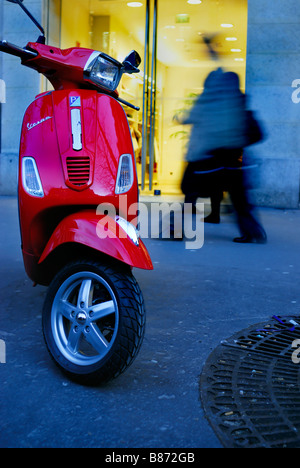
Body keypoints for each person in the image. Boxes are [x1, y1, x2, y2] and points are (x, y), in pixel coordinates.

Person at [178, 67, 266, 243]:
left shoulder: (209, 100)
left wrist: (180, 118)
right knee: (239, 198)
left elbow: (191, 118)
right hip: (233, 158)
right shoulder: (237, 100)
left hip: (206, 156)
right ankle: (253, 232)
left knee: (189, 192)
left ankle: (179, 230)